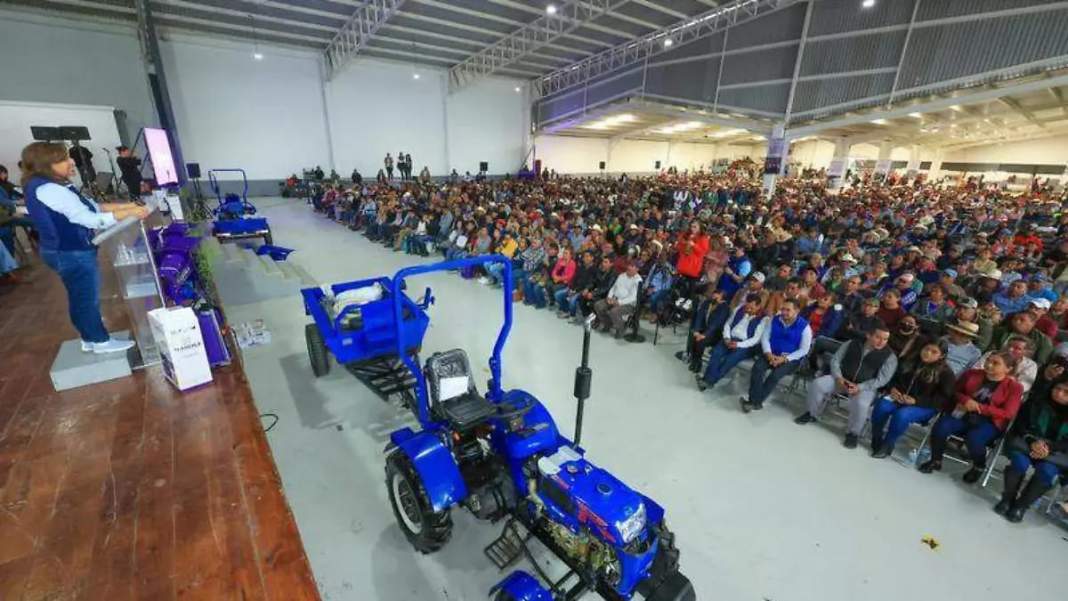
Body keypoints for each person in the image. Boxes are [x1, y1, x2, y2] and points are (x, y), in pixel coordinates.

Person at [20, 142, 149, 353]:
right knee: (86, 299)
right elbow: (89, 219)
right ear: (46, 164)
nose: (71, 162)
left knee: (80, 296)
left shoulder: (54, 185)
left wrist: (129, 207)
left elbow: (94, 206)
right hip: (70, 252)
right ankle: (99, 341)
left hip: (67, 251)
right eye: (63, 159)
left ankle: (89, 338)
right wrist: (129, 214)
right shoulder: (49, 188)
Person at [919, 352, 1024, 483]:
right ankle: (935, 460)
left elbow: (1008, 413)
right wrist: (965, 400)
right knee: (941, 425)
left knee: (974, 438)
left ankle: (979, 466)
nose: (989, 365)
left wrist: (979, 407)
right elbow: (954, 391)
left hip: (989, 422)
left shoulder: (1014, 387)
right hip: (963, 413)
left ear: (1008, 369)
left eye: (995, 363)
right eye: (988, 360)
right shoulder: (972, 374)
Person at [796, 326, 897, 449]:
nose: (881, 342)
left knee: (862, 404)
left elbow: (882, 379)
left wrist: (859, 387)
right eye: (878, 337)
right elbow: (836, 360)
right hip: (841, 379)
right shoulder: (852, 344)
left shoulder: (889, 356)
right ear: (869, 335)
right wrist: (838, 377)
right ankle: (811, 413)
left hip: (865, 387)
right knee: (818, 384)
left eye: (885, 339)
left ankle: (852, 434)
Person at [995, 381, 1068, 523]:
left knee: (1047, 471)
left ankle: (1021, 506)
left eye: (1066, 392)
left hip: (1055, 453)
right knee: (1019, 463)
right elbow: (1020, 426)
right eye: (1057, 388)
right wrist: (1032, 442)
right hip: (1026, 443)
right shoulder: (1035, 402)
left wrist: (1048, 448)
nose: (1059, 393)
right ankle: (1007, 499)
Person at [869, 340, 956, 458]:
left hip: (924, 406)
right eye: (926, 349)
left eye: (934, 352)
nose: (928, 353)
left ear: (942, 356)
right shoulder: (908, 360)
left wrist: (916, 401)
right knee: (881, 406)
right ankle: (876, 437)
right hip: (899, 398)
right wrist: (892, 389)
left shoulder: (946, 373)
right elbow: (891, 378)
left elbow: (943, 399)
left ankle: (888, 444)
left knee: (902, 415)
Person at [741, 298, 811, 413]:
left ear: (797, 311)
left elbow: (804, 350)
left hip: (791, 358)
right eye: (782, 309)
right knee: (757, 368)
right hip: (770, 353)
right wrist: (768, 354)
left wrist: (784, 359)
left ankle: (754, 401)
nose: (784, 312)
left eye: (788, 310)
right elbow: (765, 338)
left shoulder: (805, 327)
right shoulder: (775, 320)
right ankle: (755, 402)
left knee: (775, 376)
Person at [699, 293, 767, 390]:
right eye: (747, 307)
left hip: (745, 345)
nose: (748, 310)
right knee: (716, 353)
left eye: (751, 308)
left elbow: (756, 339)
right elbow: (728, 324)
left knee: (729, 360)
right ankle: (708, 381)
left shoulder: (764, 319)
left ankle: (709, 380)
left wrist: (738, 344)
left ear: (758, 306)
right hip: (730, 338)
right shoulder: (739, 309)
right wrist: (727, 338)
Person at [676, 285, 729, 373]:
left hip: (715, 333)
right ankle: (692, 357)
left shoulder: (724, 308)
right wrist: (697, 330)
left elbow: (715, 324)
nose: (714, 296)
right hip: (704, 329)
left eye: (717, 295)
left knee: (701, 341)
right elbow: (699, 316)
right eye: (714, 294)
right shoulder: (707, 303)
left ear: (722, 298)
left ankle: (698, 362)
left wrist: (704, 335)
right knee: (693, 333)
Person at [594, 262, 641, 338]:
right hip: (614, 299)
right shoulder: (621, 275)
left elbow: (633, 297)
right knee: (598, 305)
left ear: (637, 269)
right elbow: (613, 287)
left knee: (614, 311)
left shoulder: (638, 281)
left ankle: (620, 329)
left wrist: (619, 302)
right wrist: (609, 297)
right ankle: (607, 324)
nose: (629, 267)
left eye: (632, 266)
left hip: (628, 304)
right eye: (629, 265)